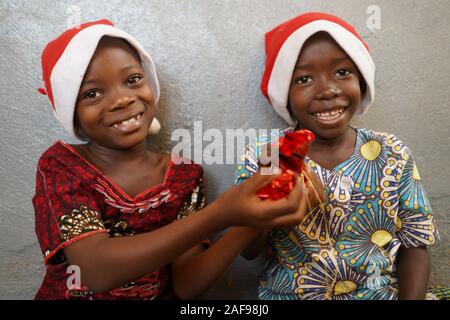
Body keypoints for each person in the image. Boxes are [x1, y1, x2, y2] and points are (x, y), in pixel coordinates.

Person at [33, 19, 310, 300]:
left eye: (132, 80)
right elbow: (94, 271)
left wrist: (251, 220)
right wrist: (221, 213)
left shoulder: (183, 177)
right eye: (92, 93)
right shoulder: (61, 166)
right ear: (72, 112)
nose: (122, 99)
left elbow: (186, 285)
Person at [235, 12, 444, 300]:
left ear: (361, 80)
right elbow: (249, 251)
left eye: (343, 72)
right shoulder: (265, 155)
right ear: (284, 94)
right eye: (304, 78)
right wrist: (264, 194)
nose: (327, 90)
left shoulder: (392, 153)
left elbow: (415, 248)